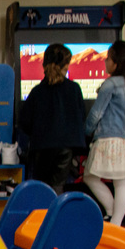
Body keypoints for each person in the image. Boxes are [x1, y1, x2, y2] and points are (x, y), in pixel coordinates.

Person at [84, 40, 125, 227]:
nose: (105, 62)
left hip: (109, 138)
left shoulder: (110, 84)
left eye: (108, 58)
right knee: (122, 183)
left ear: (117, 62)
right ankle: (117, 222)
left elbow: (96, 113)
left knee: (89, 176)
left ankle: (111, 212)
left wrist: (86, 131)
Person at [18, 44, 86, 194]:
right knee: (57, 187)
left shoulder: (37, 92)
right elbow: (81, 117)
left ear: (44, 64)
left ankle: (41, 215)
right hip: (66, 146)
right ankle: (55, 215)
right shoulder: (74, 89)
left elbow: (24, 121)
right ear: (66, 65)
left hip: (41, 146)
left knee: (41, 188)